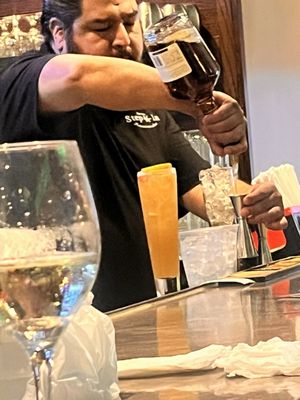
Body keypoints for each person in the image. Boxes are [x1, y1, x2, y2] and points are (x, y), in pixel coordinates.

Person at [0, 0, 286, 312]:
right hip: (65, 324)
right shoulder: (22, 81)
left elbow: (205, 194)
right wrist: (197, 100)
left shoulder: (151, 114)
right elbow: (76, 77)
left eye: (130, 22)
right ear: (58, 34)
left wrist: (256, 202)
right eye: (102, 27)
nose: (123, 39)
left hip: (144, 317)